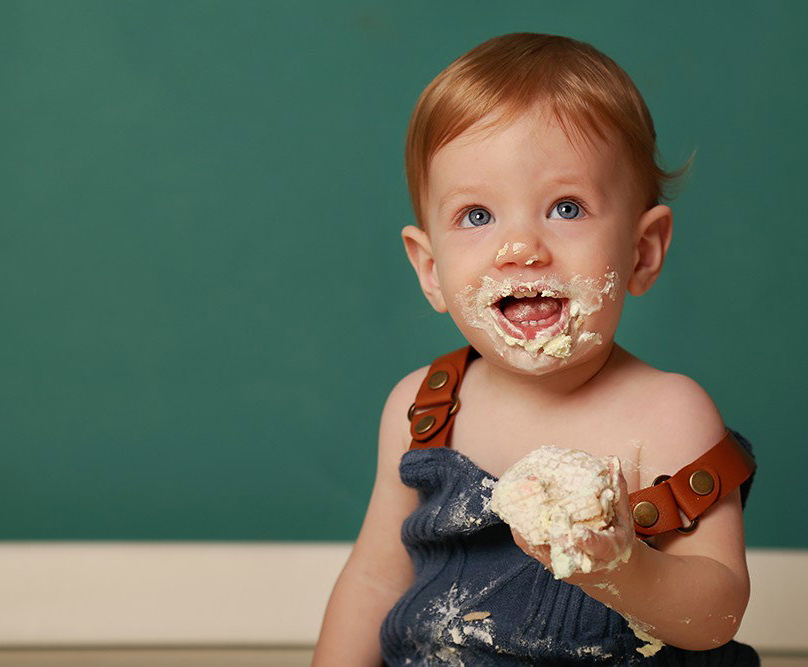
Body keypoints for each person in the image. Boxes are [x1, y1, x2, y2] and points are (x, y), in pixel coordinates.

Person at [313, 32, 758, 666]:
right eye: (476, 215)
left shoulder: (667, 412)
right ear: (430, 268)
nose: (520, 247)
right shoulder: (420, 409)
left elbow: (716, 613)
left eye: (566, 207)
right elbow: (375, 580)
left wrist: (621, 569)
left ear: (643, 250)